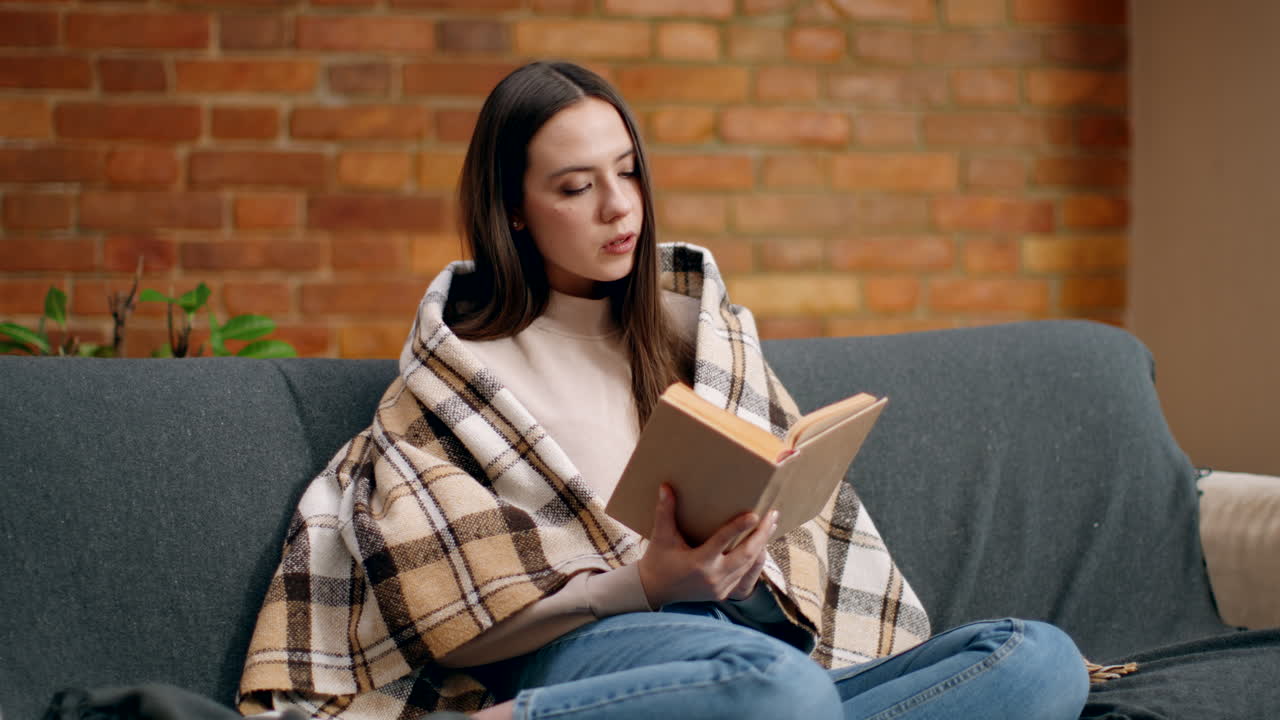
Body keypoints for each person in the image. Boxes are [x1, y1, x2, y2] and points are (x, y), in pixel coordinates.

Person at [239, 61, 1091, 720]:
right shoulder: (464, 378)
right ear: (516, 211)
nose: (620, 207)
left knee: (1036, 658)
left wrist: (751, 554)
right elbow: (455, 615)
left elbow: (795, 532)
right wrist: (648, 582)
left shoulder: (696, 339)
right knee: (778, 692)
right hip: (598, 646)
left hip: (751, 641)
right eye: (576, 187)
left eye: (628, 172)